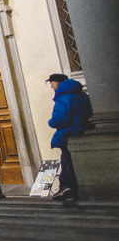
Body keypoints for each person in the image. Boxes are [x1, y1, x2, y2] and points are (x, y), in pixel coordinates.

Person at [47, 72, 94, 204]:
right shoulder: (82, 95)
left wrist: (51, 122)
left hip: (68, 134)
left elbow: (60, 119)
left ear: (56, 83)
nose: (51, 87)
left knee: (68, 164)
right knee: (68, 163)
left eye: (51, 83)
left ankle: (71, 189)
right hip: (82, 131)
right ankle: (66, 188)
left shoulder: (63, 98)